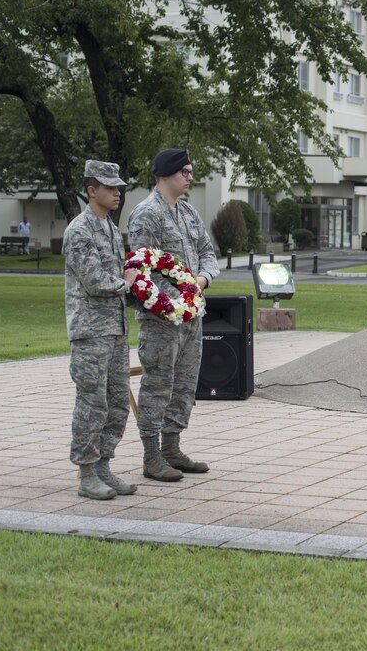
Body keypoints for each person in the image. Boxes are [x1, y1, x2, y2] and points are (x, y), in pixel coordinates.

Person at [128, 148, 219, 481]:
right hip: (161, 320)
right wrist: (170, 302)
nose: (190, 177)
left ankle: (172, 448)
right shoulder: (146, 214)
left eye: (191, 172)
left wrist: (201, 280)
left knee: (184, 385)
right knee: (158, 385)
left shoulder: (189, 213)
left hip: (192, 316)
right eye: (185, 172)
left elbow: (208, 255)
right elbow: (141, 270)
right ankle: (151, 456)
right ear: (165, 174)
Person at [64, 161, 139, 500]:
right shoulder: (79, 230)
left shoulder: (108, 226)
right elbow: (94, 281)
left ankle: (104, 465)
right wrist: (127, 285)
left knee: (118, 403)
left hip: (115, 330)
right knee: (92, 404)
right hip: (91, 332)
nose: (117, 192)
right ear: (91, 190)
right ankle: (86, 472)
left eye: (118, 187)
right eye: (109, 187)